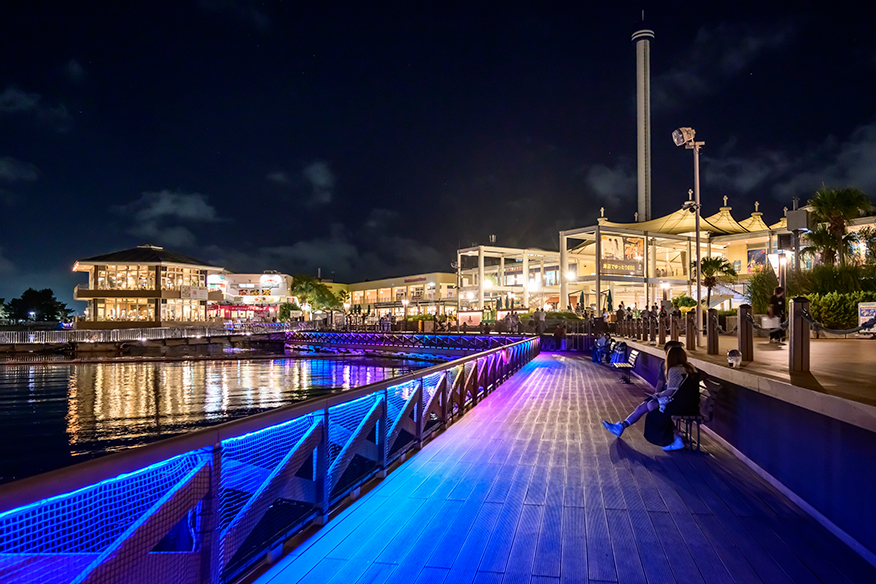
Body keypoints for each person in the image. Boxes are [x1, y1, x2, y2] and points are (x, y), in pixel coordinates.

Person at [601, 344, 701, 451]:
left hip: (679, 405)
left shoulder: (675, 370)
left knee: (651, 406)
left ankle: (674, 437)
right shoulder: (691, 368)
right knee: (646, 405)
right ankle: (622, 426)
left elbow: (671, 391)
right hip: (690, 404)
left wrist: (656, 395)